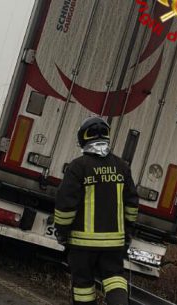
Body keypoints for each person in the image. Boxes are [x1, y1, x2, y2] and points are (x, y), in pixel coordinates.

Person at [54, 117, 139, 305]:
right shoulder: (122, 167)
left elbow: (66, 204)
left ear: (83, 139)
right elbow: (132, 204)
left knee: (83, 284)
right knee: (115, 277)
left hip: (81, 243)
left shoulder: (78, 166)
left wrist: (61, 231)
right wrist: (128, 231)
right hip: (114, 244)